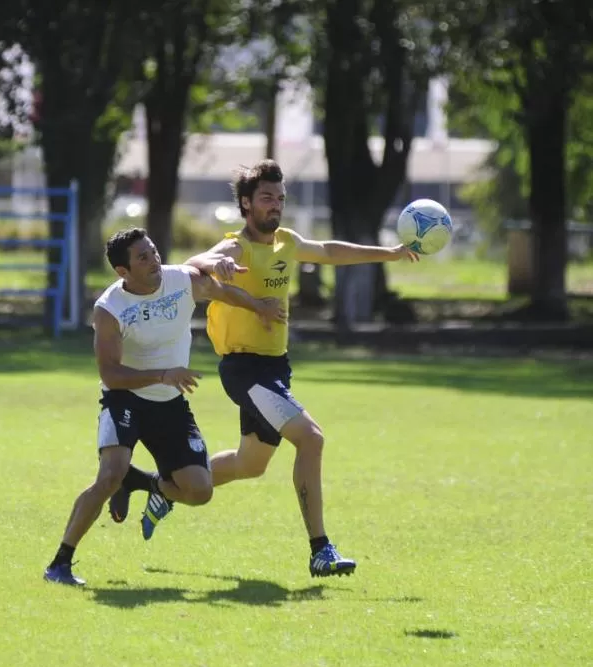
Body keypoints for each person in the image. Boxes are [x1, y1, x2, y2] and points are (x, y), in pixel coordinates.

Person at [185, 158, 418, 577]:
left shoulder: (286, 242)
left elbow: (329, 251)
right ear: (246, 203)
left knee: (249, 464)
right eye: (266, 198)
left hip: (275, 368)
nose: (275, 205)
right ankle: (320, 549)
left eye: (280, 198)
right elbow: (201, 259)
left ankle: (160, 485)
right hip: (244, 369)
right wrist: (212, 264)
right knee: (310, 440)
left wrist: (390, 253)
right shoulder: (238, 247)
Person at [44, 227, 285, 586]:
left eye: (154, 251)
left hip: (170, 402)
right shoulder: (109, 309)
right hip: (125, 399)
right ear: (123, 272)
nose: (154, 259)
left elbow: (219, 291)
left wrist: (258, 306)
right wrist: (162, 374)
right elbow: (110, 374)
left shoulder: (181, 280)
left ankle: (143, 483)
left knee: (200, 491)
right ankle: (60, 563)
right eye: (142, 257)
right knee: (109, 475)